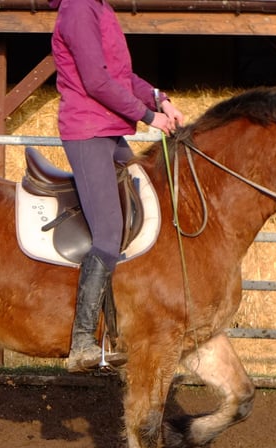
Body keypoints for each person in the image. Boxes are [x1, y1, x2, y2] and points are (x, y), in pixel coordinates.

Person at [49, 0, 185, 372]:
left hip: (110, 129)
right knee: (109, 233)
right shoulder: (79, 8)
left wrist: (160, 99)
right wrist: (148, 116)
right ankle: (82, 340)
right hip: (89, 130)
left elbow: (122, 76)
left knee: (145, 206)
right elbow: (95, 80)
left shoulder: (100, 7)